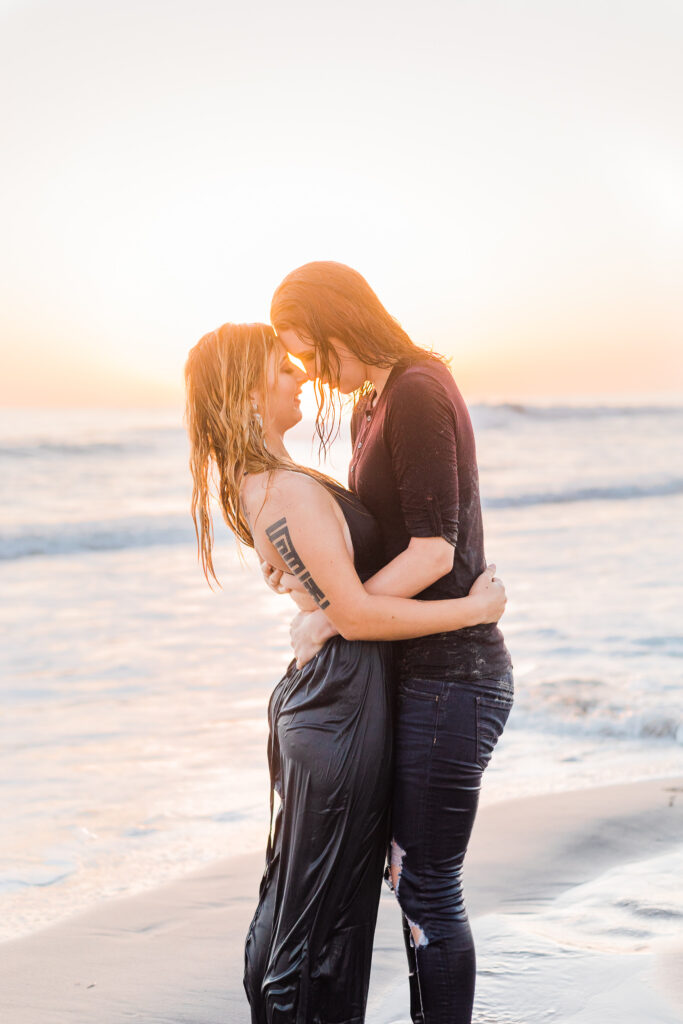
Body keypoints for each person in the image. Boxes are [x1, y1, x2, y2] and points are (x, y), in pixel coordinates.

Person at [184, 322, 507, 1024]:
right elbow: (356, 615)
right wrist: (474, 610)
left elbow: (330, 588)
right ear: (246, 391)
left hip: (331, 700)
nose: (300, 376)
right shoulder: (283, 490)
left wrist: (318, 593)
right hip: (338, 703)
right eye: (282, 369)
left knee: (309, 903)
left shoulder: (273, 483)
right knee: (319, 919)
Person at [268, 262, 514, 1024]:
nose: (311, 372)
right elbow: (374, 546)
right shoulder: (372, 403)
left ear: (339, 321)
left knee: (425, 882)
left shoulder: (414, 388)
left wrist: (333, 617)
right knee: (406, 879)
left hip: (454, 675)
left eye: (308, 350)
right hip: (413, 671)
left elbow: (434, 551)